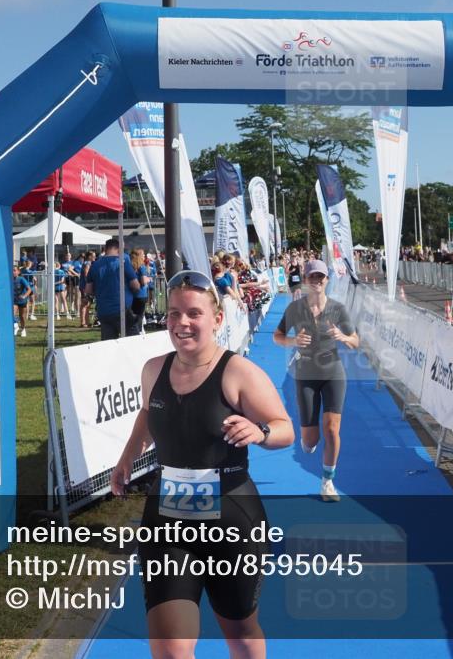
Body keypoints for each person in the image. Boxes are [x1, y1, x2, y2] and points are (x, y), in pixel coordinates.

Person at [109, 270, 293, 658]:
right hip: (165, 518)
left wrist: (259, 431)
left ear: (217, 319)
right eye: (174, 314)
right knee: (170, 648)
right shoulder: (154, 369)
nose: (182, 323)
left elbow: (284, 429)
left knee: (240, 633)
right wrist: (127, 457)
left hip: (232, 519)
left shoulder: (239, 372)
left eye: (193, 313)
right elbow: (147, 414)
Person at [273, 259, 359, 502]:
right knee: (311, 440)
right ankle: (307, 439)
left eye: (321, 277)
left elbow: (356, 341)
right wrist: (292, 342)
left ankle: (327, 482)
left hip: (333, 373)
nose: (317, 281)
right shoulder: (295, 309)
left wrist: (343, 337)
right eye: (312, 277)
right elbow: (277, 336)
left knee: (332, 429)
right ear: (306, 279)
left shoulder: (338, 309)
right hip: (306, 375)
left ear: (327, 280)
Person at [85, 238, 140, 340]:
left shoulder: (95, 265)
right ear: (118, 249)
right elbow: (136, 285)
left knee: (108, 345)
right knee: (134, 342)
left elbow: (88, 290)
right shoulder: (122, 263)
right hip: (122, 309)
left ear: (106, 248)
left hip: (103, 310)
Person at [129, 248, 151, 335]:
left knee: (133, 315)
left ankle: (135, 332)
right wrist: (149, 279)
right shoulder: (141, 267)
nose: (144, 256)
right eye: (143, 254)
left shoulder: (130, 266)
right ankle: (138, 332)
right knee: (139, 316)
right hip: (141, 294)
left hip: (132, 294)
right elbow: (143, 281)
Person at [13, 265, 33, 338]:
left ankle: (23, 329)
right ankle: (16, 326)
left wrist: (24, 296)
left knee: (22, 316)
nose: (13, 272)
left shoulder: (21, 279)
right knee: (11, 314)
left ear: (18, 272)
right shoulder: (10, 279)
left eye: (15, 270)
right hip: (14, 300)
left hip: (22, 301)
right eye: (12, 270)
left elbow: (29, 289)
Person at [79, 250, 96, 328]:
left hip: (86, 286)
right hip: (84, 286)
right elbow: (86, 275)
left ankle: (87, 321)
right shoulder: (87, 264)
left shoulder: (89, 263)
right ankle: (83, 322)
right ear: (89, 256)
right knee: (84, 304)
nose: (95, 257)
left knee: (88, 305)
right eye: (93, 256)